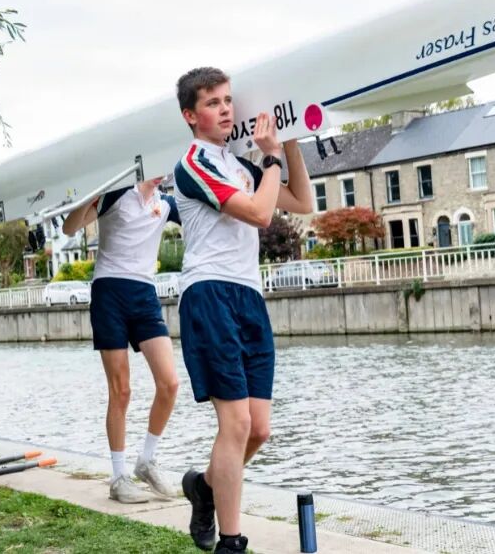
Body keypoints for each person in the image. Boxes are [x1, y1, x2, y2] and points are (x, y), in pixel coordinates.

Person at [172, 67, 312, 553]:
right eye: (213, 102)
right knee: (235, 425)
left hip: (249, 297)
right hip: (209, 294)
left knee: (260, 429)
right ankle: (231, 543)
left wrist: (290, 141)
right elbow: (260, 213)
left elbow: (302, 201)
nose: (226, 108)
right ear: (191, 115)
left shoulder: (240, 165)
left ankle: (206, 487)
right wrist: (271, 157)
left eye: (228, 99)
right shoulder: (192, 164)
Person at [63, 178, 182, 504]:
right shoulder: (116, 192)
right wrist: (89, 197)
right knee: (121, 389)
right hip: (109, 292)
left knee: (170, 383)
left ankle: (146, 460)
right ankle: (118, 477)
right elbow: (69, 229)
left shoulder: (167, 203)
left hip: (144, 295)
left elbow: (207, 214)